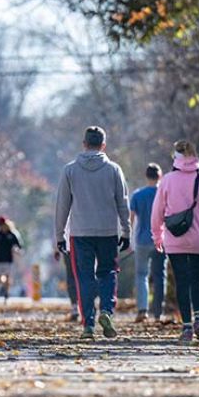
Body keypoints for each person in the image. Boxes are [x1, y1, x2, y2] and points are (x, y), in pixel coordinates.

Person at [54, 126, 131, 340]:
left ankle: (88, 323)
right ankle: (106, 310)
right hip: (107, 231)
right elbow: (123, 202)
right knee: (108, 272)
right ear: (103, 145)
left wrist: (59, 236)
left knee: (84, 277)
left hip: (80, 233)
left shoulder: (70, 170)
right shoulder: (114, 169)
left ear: (84, 144)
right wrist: (126, 231)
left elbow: (62, 206)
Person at [152, 140, 199, 343]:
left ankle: (186, 327)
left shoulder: (167, 180)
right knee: (196, 279)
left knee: (182, 281)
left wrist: (157, 236)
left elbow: (157, 211)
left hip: (175, 239)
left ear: (176, 158)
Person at [129, 163, 169, 323]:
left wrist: (129, 240)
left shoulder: (138, 195)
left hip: (141, 241)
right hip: (161, 240)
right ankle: (158, 313)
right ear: (160, 176)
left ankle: (143, 310)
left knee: (141, 275)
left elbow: (130, 219)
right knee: (160, 276)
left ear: (146, 176)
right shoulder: (165, 194)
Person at [0, 216, 23, 300]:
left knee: (8, 277)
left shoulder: (12, 234)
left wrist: (16, 250)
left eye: (2, 225)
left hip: (8, 260)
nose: (1, 227)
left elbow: (19, 245)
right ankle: (3, 284)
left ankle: (6, 293)